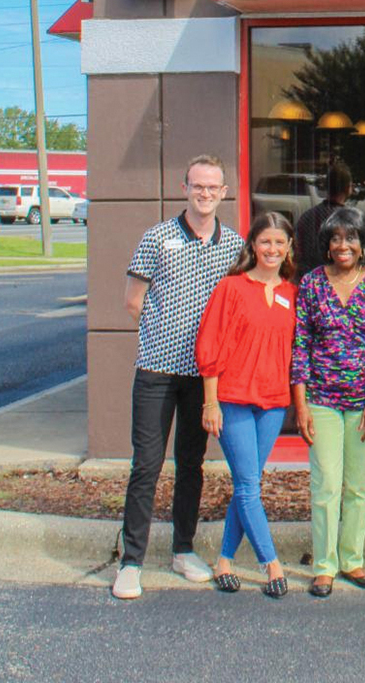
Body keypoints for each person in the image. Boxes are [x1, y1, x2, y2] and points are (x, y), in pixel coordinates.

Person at [111, 154, 243, 601]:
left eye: (213, 187)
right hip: (157, 370)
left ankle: (183, 550)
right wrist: (163, 334)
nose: (205, 193)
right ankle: (131, 561)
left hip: (203, 377)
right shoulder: (157, 237)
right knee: (146, 465)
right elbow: (133, 301)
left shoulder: (233, 245)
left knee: (191, 464)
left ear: (224, 192)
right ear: (184, 188)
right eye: (197, 186)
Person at [292, 206, 365, 598]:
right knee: (326, 485)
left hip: (364, 402)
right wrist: (301, 404)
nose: (342, 245)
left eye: (350, 237)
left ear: (363, 242)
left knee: (357, 487)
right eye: (335, 238)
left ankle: (352, 560)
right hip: (321, 399)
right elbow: (301, 345)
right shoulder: (312, 284)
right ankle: (324, 566)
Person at [195, 211, 298, 597]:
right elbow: (210, 343)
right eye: (265, 241)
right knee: (248, 485)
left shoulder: (291, 293)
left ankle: (224, 560)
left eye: (279, 242)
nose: (272, 248)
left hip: (273, 402)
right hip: (234, 399)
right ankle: (271, 564)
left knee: (247, 483)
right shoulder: (231, 288)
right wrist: (210, 403)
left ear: (289, 247)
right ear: (253, 245)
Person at [295, 161, 352, 280]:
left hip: (308, 279)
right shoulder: (351, 220)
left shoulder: (307, 217)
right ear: (348, 188)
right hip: (339, 281)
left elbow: (298, 252)